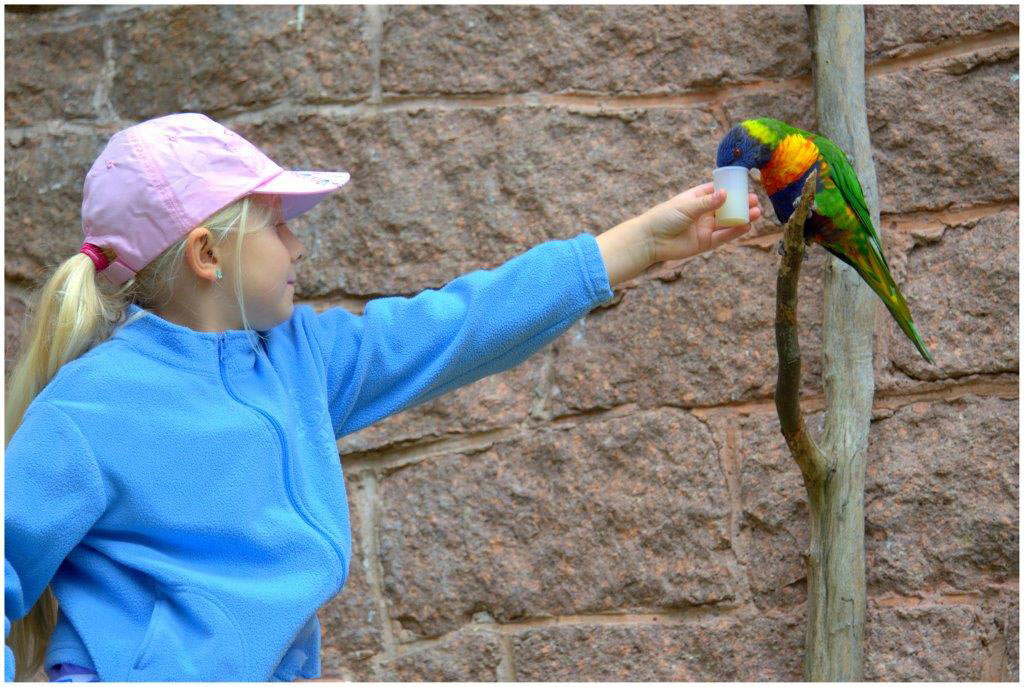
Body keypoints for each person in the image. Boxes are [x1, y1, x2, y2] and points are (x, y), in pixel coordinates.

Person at [4, 112, 761, 682]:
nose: (298, 246)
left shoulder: (301, 360)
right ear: (208, 254)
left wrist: (642, 246)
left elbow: (458, 326)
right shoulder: (88, 412)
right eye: (278, 224)